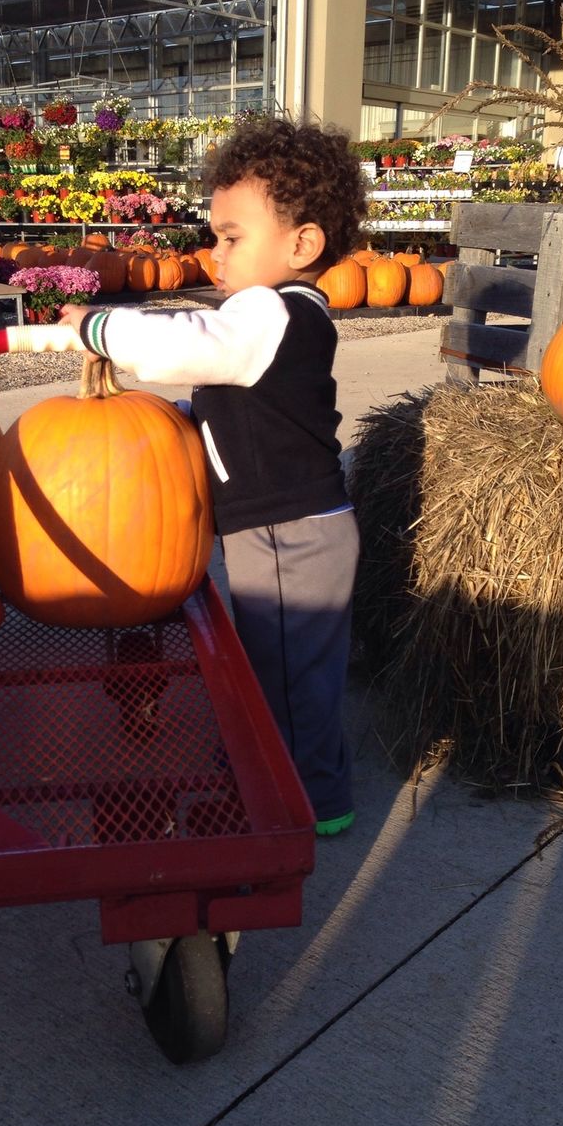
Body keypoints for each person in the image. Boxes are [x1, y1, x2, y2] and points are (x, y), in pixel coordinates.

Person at [48, 116, 368, 836]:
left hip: (291, 537)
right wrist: (177, 420)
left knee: (290, 674)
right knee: (290, 665)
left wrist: (99, 327)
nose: (215, 253)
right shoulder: (281, 319)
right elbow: (239, 400)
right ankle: (298, 774)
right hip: (287, 529)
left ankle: (310, 803)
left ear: (302, 244)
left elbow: (187, 347)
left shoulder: (267, 312)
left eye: (232, 236)